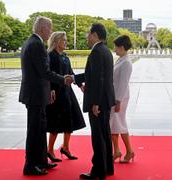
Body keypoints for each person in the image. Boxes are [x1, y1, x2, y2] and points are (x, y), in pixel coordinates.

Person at [19, 16, 73, 176]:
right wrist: (63, 79)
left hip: (36, 94)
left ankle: (41, 161)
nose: (50, 32)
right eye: (49, 29)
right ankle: (30, 165)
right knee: (35, 131)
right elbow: (45, 72)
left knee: (40, 129)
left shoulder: (31, 42)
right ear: (43, 28)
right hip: (35, 95)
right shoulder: (36, 45)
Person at [75, 23, 115, 180]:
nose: (86, 36)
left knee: (98, 137)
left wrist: (95, 103)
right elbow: (93, 75)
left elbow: (99, 79)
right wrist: (75, 79)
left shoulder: (96, 52)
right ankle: (107, 168)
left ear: (95, 34)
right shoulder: (106, 51)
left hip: (98, 102)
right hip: (106, 99)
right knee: (105, 134)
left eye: (88, 33)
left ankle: (98, 171)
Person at [46, 31, 86, 162]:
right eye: (64, 39)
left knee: (69, 122)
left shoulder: (65, 57)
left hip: (67, 93)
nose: (66, 42)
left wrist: (80, 85)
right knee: (55, 124)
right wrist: (51, 89)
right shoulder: (50, 56)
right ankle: (50, 150)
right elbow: (48, 75)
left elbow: (71, 74)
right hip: (56, 94)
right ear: (56, 41)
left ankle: (66, 147)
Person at [109, 35, 135, 163]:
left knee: (118, 124)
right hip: (116, 96)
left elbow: (123, 83)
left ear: (122, 47)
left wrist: (118, 101)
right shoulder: (121, 60)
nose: (114, 49)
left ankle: (128, 151)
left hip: (120, 97)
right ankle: (118, 151)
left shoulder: (126, 63)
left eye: (116, 47)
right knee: (115, 124)